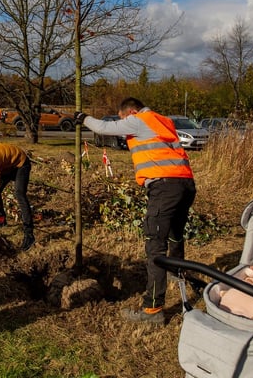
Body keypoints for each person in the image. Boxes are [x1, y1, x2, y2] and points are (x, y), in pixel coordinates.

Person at [75, 98, 197, 325]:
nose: (125, 123)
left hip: (164, 186)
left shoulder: (139, 120)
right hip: (185, 183)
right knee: (174, 233)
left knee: (155, 246)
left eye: (124, 118)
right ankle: (176, 273)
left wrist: (83, 118)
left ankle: (152, 310)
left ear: (130, 111)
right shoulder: (163, 120)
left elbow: (103, 128)